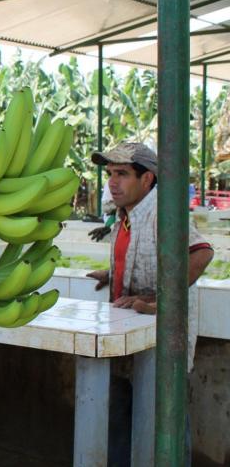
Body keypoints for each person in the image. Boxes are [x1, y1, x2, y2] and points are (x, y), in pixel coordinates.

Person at [84, 142, 213, 466]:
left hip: (162, 341)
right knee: (121, 420)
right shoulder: (126, 213)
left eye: (123, 174)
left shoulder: (162, 211)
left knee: (164, 423)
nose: (113, 182)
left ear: (147, 179)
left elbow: (201, 253)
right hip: (128, 338)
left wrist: (160, 299)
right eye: (110, 174)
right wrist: (113, 274)